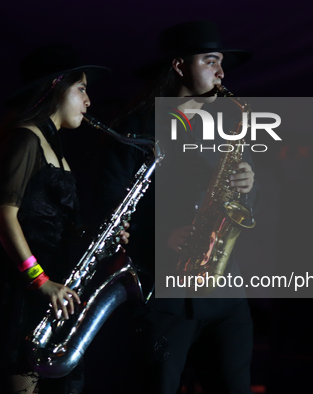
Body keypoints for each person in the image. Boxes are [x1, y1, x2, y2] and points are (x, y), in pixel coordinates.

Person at [0, 44, 128, 394]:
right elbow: (3, 216)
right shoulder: (25, 138)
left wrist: (104, 237)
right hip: (22, 291)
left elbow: (50, 223)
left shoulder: (55, 148)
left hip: (51, 290)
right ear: (54, 88)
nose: (89, 101)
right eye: (81, 88)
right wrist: (39, 279)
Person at [101, 21, 256, 394]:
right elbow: (109, 202)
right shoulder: (137, 126)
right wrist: (158, 236)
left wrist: (250, 184)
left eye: (221, 62)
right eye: (210, 60)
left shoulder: (226, 122)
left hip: (224, 292)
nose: (221, 72)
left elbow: (241, 203)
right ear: (179, 66)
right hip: (166, 294)